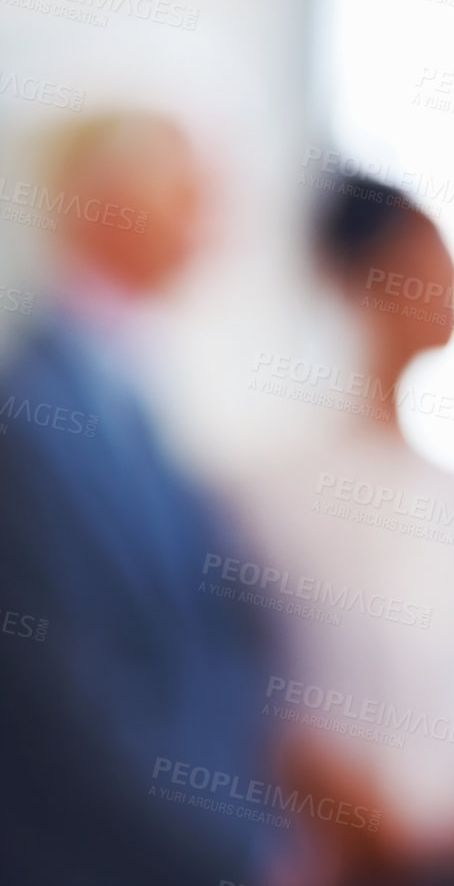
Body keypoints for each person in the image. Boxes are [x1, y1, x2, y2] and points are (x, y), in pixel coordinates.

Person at [226, 177, 454, 886]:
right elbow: (248, 685)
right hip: (321, 858)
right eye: (416, 266)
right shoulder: (264, 493)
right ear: (354, 283)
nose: (444, 286)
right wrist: (354, 814)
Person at [0, 113, 279, 885]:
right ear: (102, 200)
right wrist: (240, 847)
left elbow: (204, 646)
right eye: (185, 192)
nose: (210, 223)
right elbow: (59, 693)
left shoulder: (139, 393)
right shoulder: (26, 411)